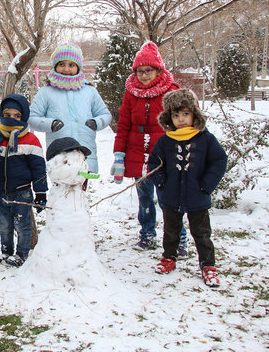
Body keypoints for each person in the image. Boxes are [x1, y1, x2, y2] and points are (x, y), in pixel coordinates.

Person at [111, 41, 188, 253]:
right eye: (140, 71)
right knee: (144, 197)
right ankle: (147, 233)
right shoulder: (131, 92)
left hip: (165, 153)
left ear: (158, 69)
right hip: (138, 152)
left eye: (149, 70)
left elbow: (186, 122)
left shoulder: (173, 91)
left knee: (169, 199)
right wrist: (119, 154)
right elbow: (124, 124)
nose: (144, 75)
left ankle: (178, 238)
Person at [149, 89, 227, 287]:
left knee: (201, 232)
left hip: (197, 196)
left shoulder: (205, 139)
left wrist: (206, 186)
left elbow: (219, 160)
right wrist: (163, 184)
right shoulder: (165, 141)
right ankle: (169, 257)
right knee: (171, 230)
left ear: (194, 114)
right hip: (172, 197)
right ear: (169, 118)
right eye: (176, 115)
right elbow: (154, 164)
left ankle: (208, 265)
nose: (181, 119)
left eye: (185, 114)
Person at [0, 94, 48, 267]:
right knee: (4, 225)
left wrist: (40, 192)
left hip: (21, 192)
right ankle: (6, 252)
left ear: (23, 117)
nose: (11, 119)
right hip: (0, 191)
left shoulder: (31, 140)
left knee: (22, 225)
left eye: (16, 116)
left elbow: (39, 168)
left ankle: (21, 254)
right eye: (7, 115)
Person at [29, 42, 111, 174]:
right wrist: (51, 124)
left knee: (85, 191)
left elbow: (105, 115)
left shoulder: (90, 91)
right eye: (62, 64)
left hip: (86, 155)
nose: (66, 69)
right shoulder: (46, 92)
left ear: (78, 67)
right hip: (59, 157)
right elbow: (32, 118)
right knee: (62, 192)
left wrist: (96, 123)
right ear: (55, 66)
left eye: (71, 65)